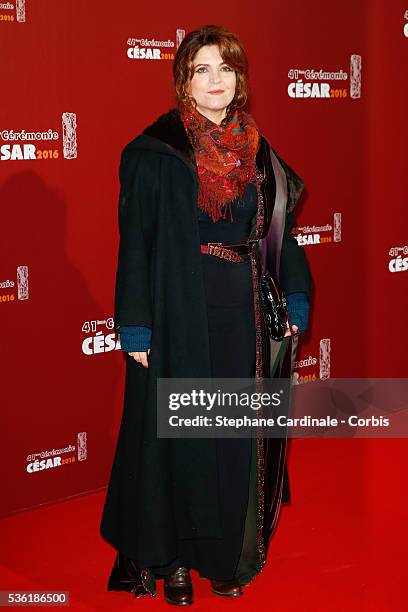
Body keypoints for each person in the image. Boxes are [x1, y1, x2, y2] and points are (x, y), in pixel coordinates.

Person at [100, 24, 311, 606]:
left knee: (230, 438)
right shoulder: (157, 151)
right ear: (184, 81)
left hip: (240, 311)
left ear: (239, 79)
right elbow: (135, 246)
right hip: (177, 312)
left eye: (227, 69)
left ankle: (222, 556)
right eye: (203, 70)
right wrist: (136, 325)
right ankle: (171, 563)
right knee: (177, 438)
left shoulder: (258, 150)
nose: (216, 80)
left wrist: (294, 296)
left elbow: (280, 232)